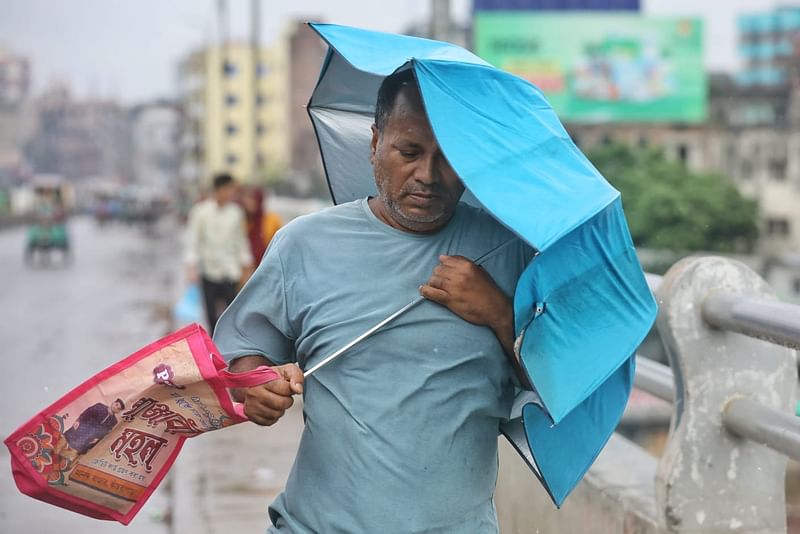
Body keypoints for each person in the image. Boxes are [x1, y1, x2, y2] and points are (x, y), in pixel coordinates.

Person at [214, 69, 533, 533]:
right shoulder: (304, 245)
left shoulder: (509, 251)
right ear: (374, 142)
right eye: (409, 152)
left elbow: (553, 383)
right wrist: (255, 385)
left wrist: (499, 313)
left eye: (448, 157)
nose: (427, 175)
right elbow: (243, 356)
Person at [185, 173, 254, 333]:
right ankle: (214, 352)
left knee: (232, 315)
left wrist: (247, 266)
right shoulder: (201, 212)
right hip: (209, 271)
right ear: (220, 189)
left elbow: (240, 241)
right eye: (229, 189)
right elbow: (193, 241)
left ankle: (230, 352)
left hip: (231, 271)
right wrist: (191, 267)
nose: (231, 193)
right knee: (211, 317)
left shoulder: (236, 213)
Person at [56, 399, 125, 461]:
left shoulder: (114, 421)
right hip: (83, 426)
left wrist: (98, 438)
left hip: (91, 435)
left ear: (118, 411)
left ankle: (62, 457)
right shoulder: (100, 406)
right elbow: (87, 412)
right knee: (68, 437)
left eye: (118, 408)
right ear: (113, 402)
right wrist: (78, 420)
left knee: (79, 448)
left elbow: (106, 431)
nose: (116, 408)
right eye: (116, 405)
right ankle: (55, 450)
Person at [240, 186, 283, 264]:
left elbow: (279, 246)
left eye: (252, 198)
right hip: (243, 267)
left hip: (266, 265)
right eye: (247, 198)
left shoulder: (272, 219)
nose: (248, 202)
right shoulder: (240, 219)